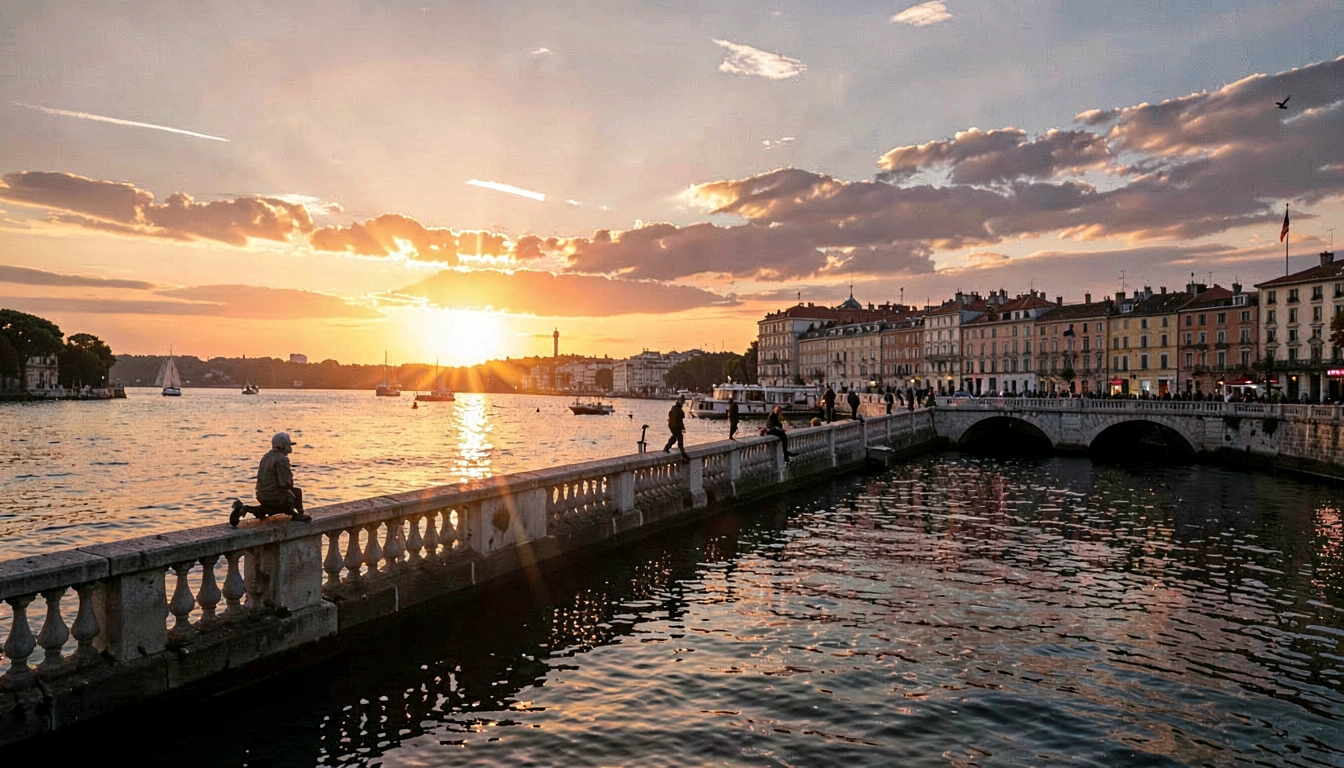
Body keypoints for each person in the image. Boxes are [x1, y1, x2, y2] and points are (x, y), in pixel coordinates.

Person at [231, 432, 311, 526]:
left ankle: (245, 508)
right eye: (289, 445)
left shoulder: (266, 457)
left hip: (262, 495)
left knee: (268, 507)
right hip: (274, 496)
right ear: (283, 445)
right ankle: (298, 514)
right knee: (296, 492)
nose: (290, 448)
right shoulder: (282, 459)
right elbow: (285, 484)